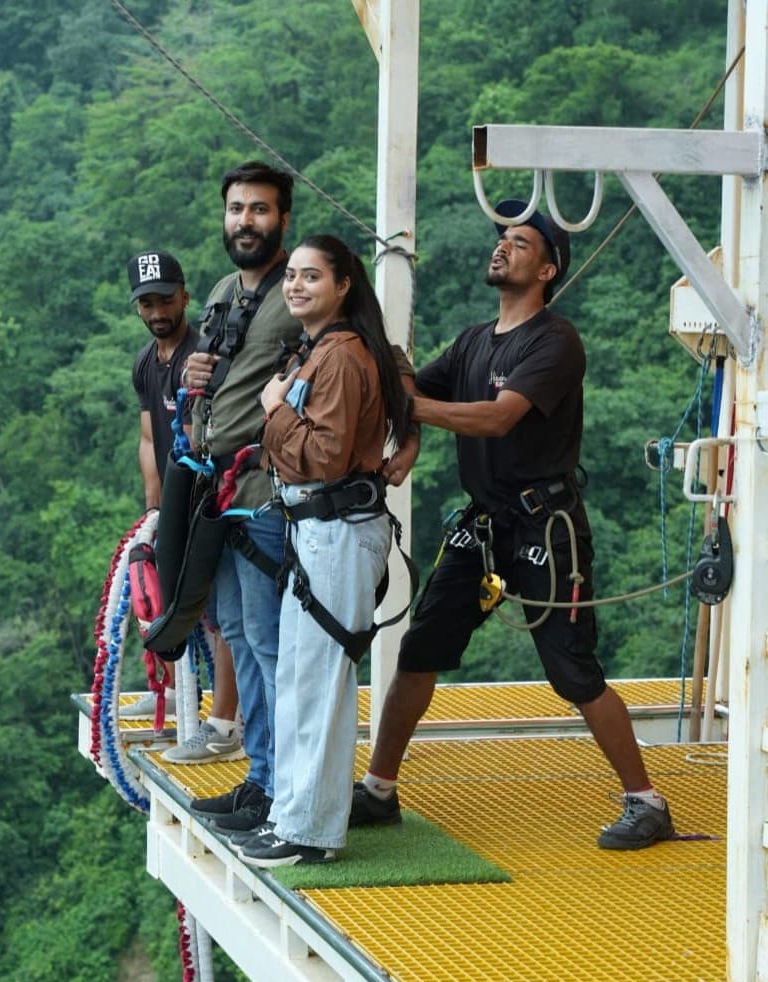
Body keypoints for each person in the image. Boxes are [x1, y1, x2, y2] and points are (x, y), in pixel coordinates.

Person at [348, 199, 676, 851]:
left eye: (520, 242)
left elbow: (496, 418)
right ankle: (379, 790)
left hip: (543, 532)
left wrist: (406, 405)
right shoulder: (474, 340)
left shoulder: (555, 341)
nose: (502, 246)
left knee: (572, 670)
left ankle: (647, 800)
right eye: (501, 238)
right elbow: (418, 386)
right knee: (422, 648)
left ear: (549, 269)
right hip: (486, 534)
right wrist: (384, 358)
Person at [227, 235, 411, 868]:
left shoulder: (339, 356)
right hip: (322, 530)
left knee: (318, 681)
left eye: (312, 276)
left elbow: (326, 454)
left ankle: (308, 830)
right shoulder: (334, 350)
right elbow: (402, 376)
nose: (296, 285)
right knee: (304, 678)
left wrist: (272, 412)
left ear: (343, 286)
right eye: (293, 276)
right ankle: (295, 818)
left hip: (335, 526)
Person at [182, 161, 305, 833]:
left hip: (264, 493)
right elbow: (216, 378)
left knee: (267, 640)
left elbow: (365, 356)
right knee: (237, 633)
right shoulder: (226, 290)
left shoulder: (302, 291)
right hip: (216, 489)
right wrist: (196, 368)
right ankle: (262, 776)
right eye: (236, 209)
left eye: (259, 210)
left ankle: (288, 786)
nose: (246, 221)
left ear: (283, 218)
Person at [121, 250, 242, 762]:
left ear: (185, 296)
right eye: (146, 303)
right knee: (166, 596)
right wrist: (154, 512)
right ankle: (172, 692)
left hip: (215, 500)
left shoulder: (203, 355)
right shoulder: (147, 364)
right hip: (175, 501)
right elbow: (150, 438)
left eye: (165, 299)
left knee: (222, 613)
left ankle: (224, 726)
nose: (157, 312)